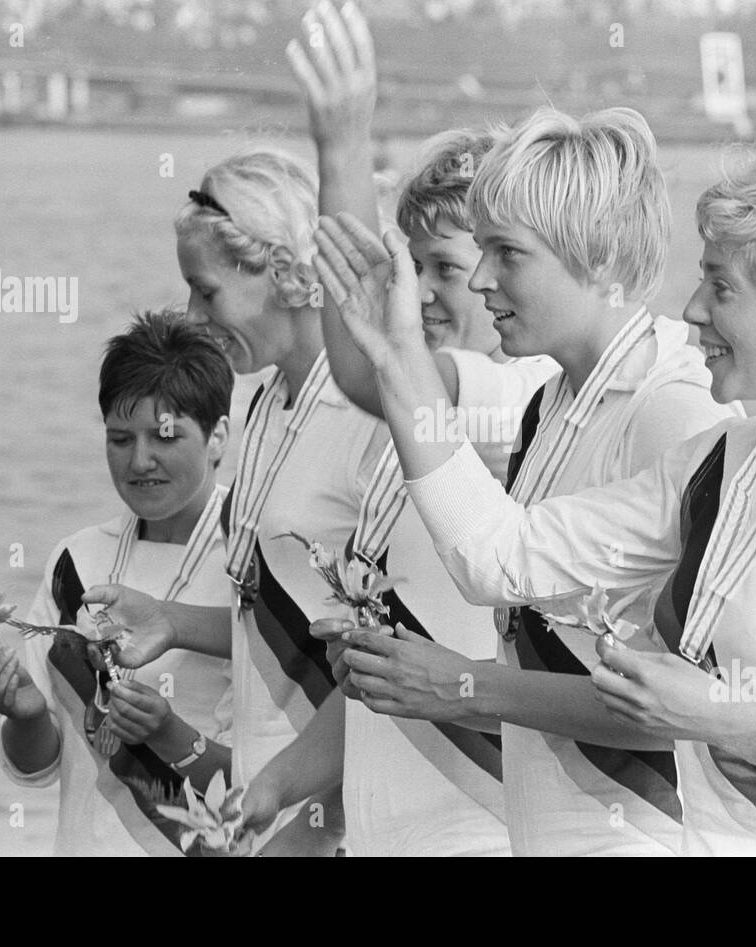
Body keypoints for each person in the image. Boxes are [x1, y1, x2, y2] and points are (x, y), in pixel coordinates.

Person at [322, 126, 756, 856]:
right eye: (702, 278)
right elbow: (494, 557)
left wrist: (727, 717)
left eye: (722, 286)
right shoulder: (717, 463)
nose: (694, 309)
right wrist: (396, 359)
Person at [316, 102, 741, 857]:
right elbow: (531, 633)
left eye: (507, 253)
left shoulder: (674, 406)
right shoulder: (550, 400)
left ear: (601, 258)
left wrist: (460, 687)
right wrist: (409, 675)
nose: (481, 279)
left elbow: (686, 696)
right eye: (477, 250)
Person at [234, 1, 552, 856]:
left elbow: (366, 366)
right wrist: (273, 786)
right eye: (409, 268)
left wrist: (342, 147)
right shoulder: (416, 433)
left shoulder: (519, 397)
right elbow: (398, 669)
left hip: (484, 830)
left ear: (503, 275)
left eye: (445, 268)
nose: (414, 295)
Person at [82, 146, 390, 856]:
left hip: (331, 821)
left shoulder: (370, 420)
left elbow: (396, 654)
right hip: (254, 806)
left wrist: (318, 825)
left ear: (281, 272)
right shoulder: (260, 412)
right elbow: (284, 610)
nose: (190, 315)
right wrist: (172, 620)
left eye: (207, 291)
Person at [0, 310, 236, 856]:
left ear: (219, 437)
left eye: (166, 436)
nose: (141, 461)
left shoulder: (252, 564)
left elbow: (282, 775)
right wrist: (23, 714)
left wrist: (169, 733)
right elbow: (37, 765)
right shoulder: (77, 562)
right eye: (120, 439)